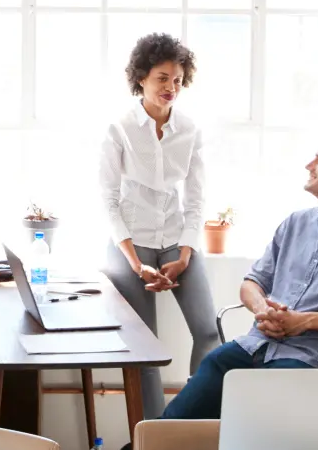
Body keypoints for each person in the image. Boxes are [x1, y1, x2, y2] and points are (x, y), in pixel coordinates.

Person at [162, 133, 318, 420]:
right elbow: (252, 283)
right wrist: (262, 309)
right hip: (257, 344)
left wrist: (305, 321)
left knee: (256, 412)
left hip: (315, 359)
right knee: (208, 374)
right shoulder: (295, 223)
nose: (309, 165)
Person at [99, 33, 219, 421]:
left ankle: (193, 422)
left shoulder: (190, 130)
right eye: (162, 78)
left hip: (177, 240)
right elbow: (108, 201)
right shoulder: (119, 129)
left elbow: (197, 199)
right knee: (144, 348)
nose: (171, 88)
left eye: (178, 80)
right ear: (142, 79)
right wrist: (135, 263)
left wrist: (184, 254)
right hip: (130, 244)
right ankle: (154, 433)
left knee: (208, 334)